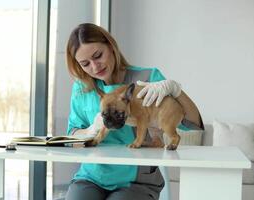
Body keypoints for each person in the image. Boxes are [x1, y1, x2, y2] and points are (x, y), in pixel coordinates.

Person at [65, 23, 204, 200]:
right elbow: (72, 136)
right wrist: (90, 131)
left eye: (98, 55)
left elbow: (193, 123)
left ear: (111, 46)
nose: (94, 66)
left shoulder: (147, 79)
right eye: (85, 64)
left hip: (137, 180)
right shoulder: (82, 89)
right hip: (92, 176)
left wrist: (176, 90)